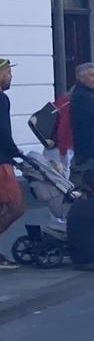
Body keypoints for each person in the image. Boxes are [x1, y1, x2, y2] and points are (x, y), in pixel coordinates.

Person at [0, 58, 26, 269]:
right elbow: (3, 129)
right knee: (16, 208)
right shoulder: (1, 99)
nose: (11, 76)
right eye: (8, 72)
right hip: (2, 162)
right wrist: (14, 150)